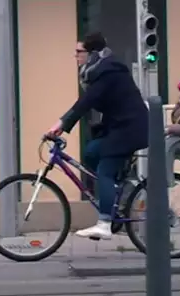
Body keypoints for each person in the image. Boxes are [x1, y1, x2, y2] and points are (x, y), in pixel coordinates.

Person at [46, 32, 149, 240]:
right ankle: (118, 193)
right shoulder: (99, 71)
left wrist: (62, 123)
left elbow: (87, 101)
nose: (76, 56)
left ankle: (104, 222)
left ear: (92, 54)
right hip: (121, 128)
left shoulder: (110, 71)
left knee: (105, 170)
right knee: (92, 152)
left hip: (130, 129)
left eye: (79, 52)